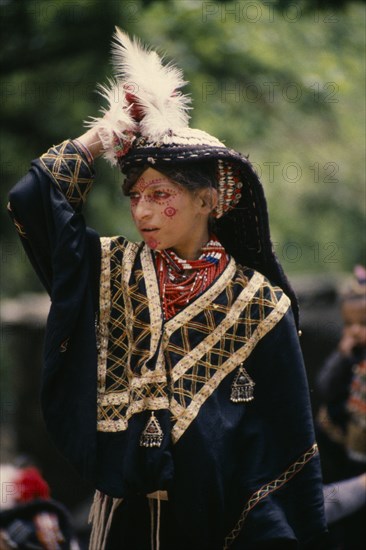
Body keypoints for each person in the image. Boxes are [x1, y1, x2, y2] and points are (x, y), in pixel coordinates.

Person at [8, 29, 327, 550]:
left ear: (210, 201)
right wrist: (101, 137)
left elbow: (289, 449)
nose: (142, 211)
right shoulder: (110, 268)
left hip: (216, 532)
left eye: (160, 194)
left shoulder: (262, 306)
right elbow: (35, 202)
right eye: (134, 195)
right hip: (119, 525)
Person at [316, 265, 366, 548]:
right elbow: (324, 388)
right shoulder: (346, 357)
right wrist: (341, 356)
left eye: (363, 324)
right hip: (339, 452)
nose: (355, 331)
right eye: (349, 325)